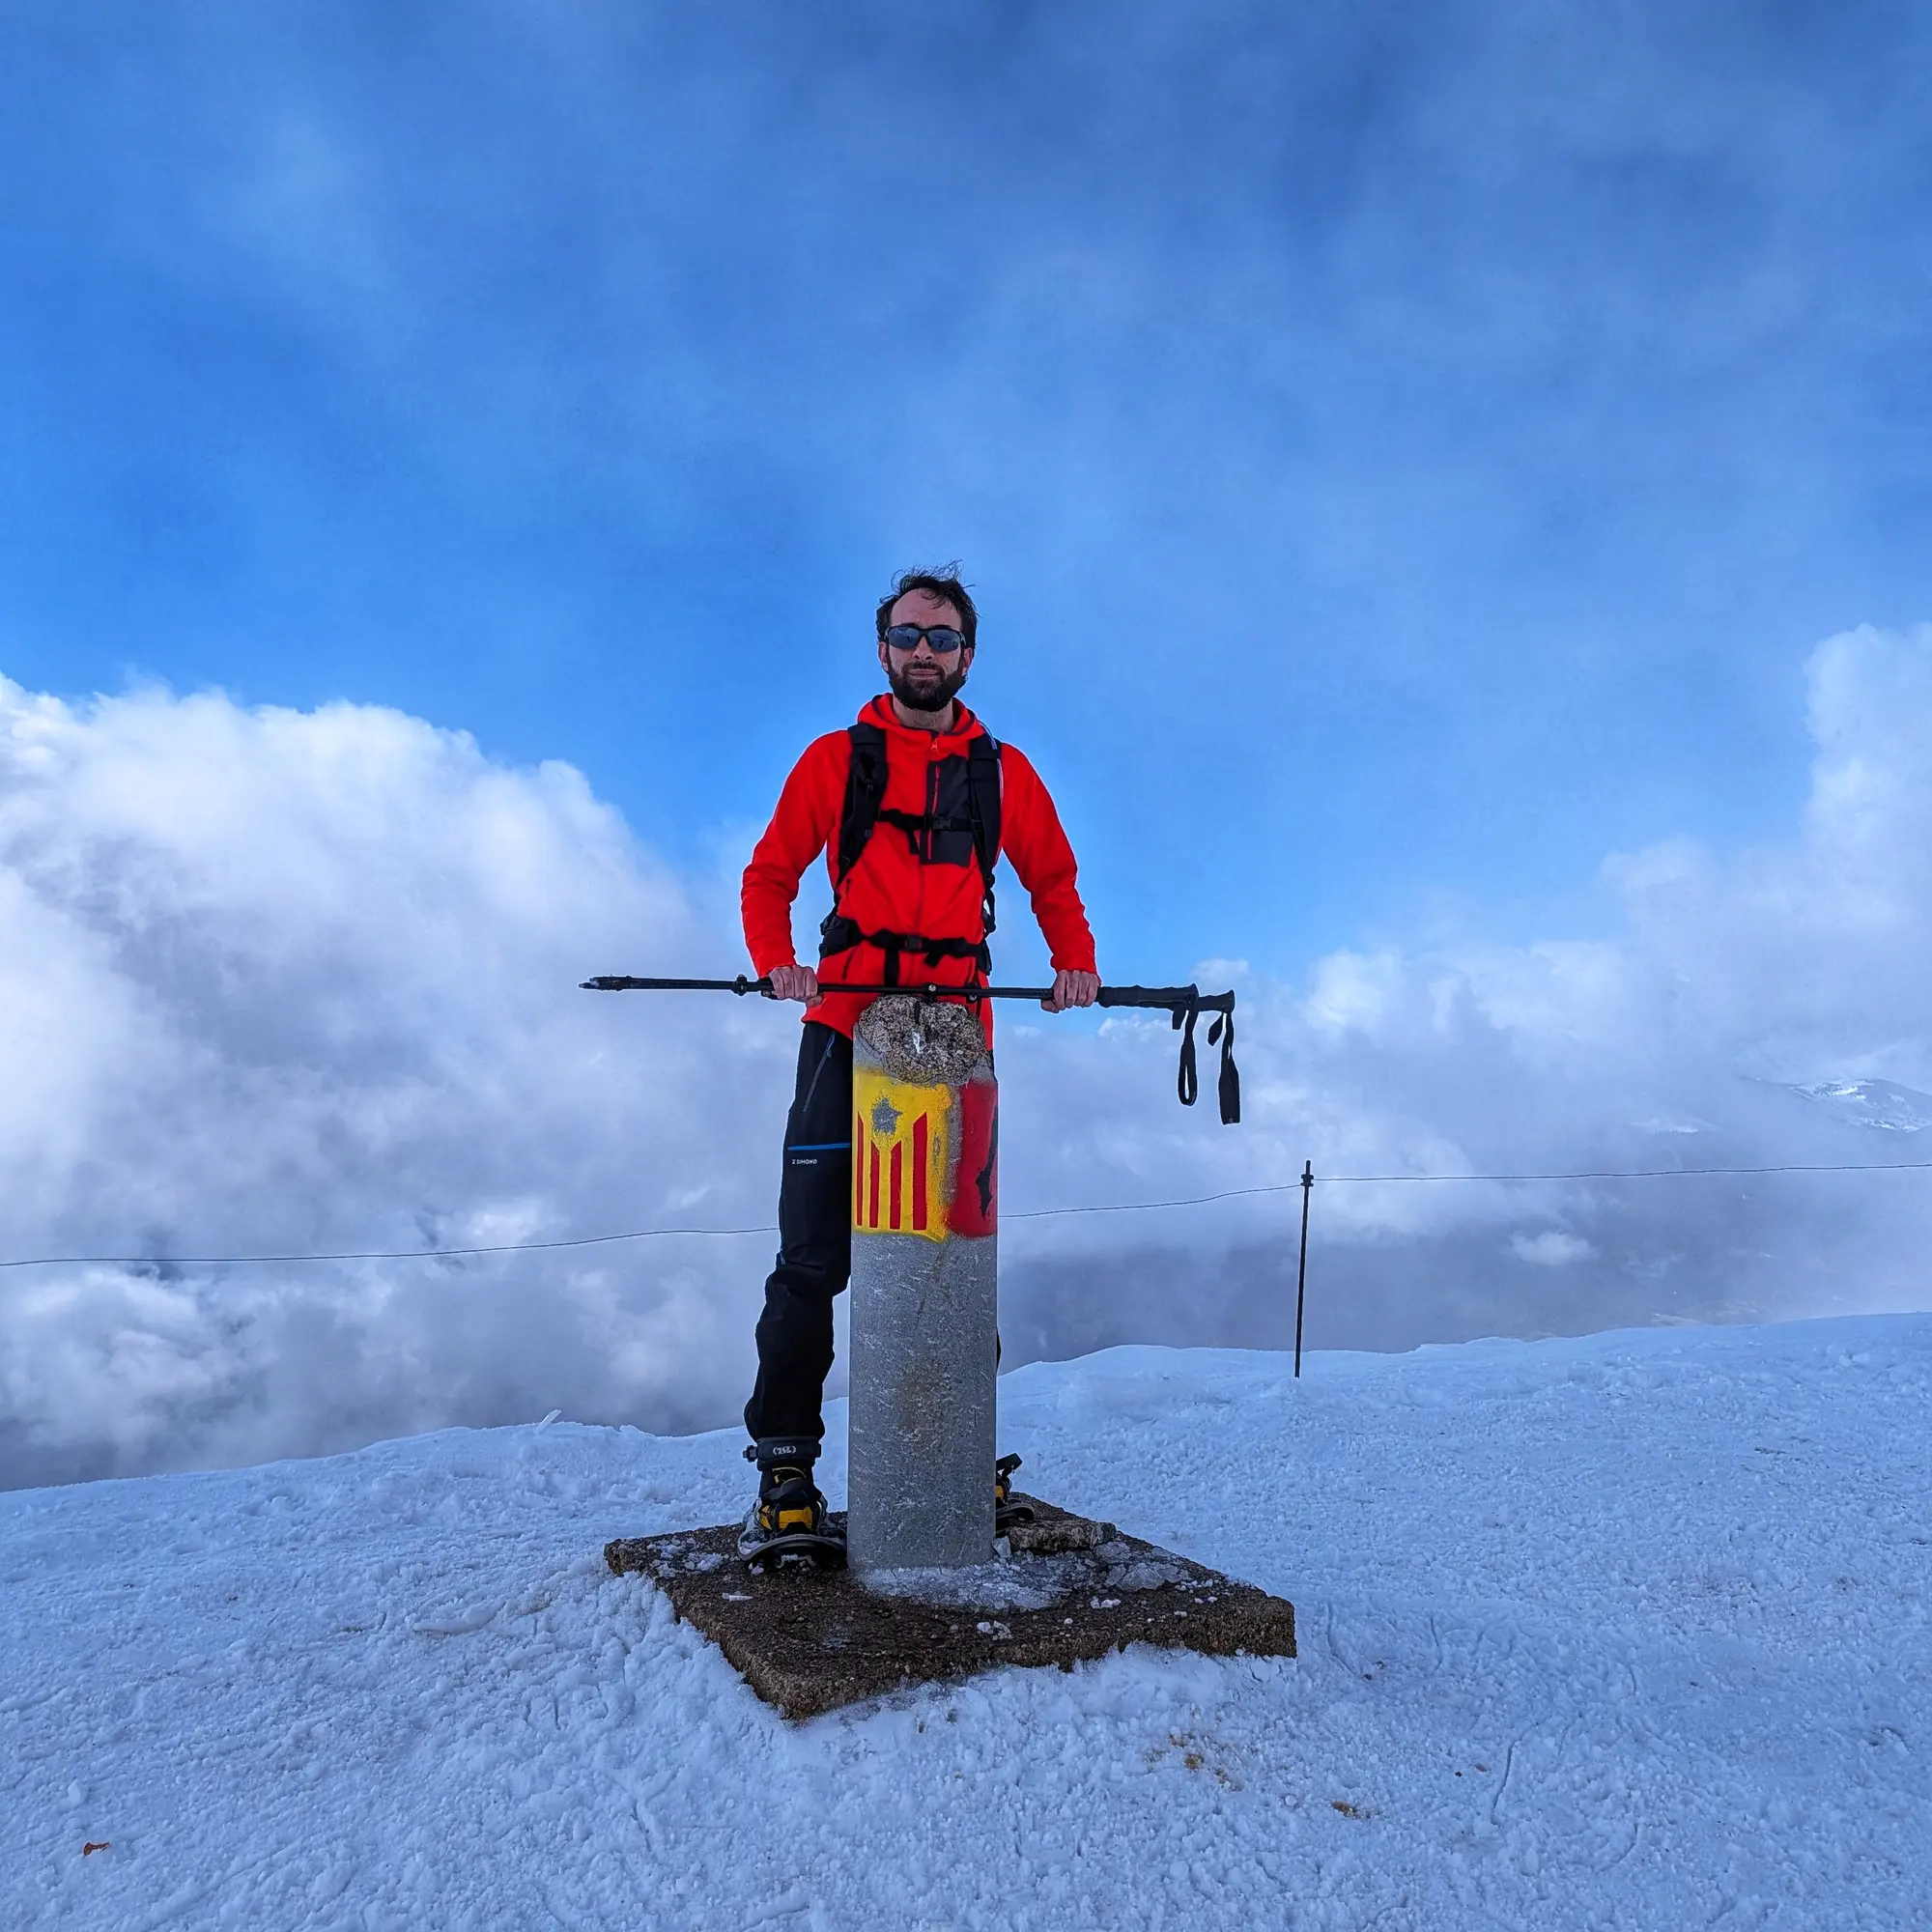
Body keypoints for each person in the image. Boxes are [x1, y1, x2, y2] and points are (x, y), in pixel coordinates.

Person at [736, 566, 1099, 1553]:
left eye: (941, 638)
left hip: (955, 1039)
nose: (924, 652)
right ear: (883, 647)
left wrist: (1076, 963)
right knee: (812, 1257)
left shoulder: (1002, 772)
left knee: (955, 1253)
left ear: (967, 655)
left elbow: (1050, 876)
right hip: (843, 1026)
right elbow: (768, 874)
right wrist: (778, 964)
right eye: (907, 635)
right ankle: (785, 1473)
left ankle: (952, 1454)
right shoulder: (834, 759)